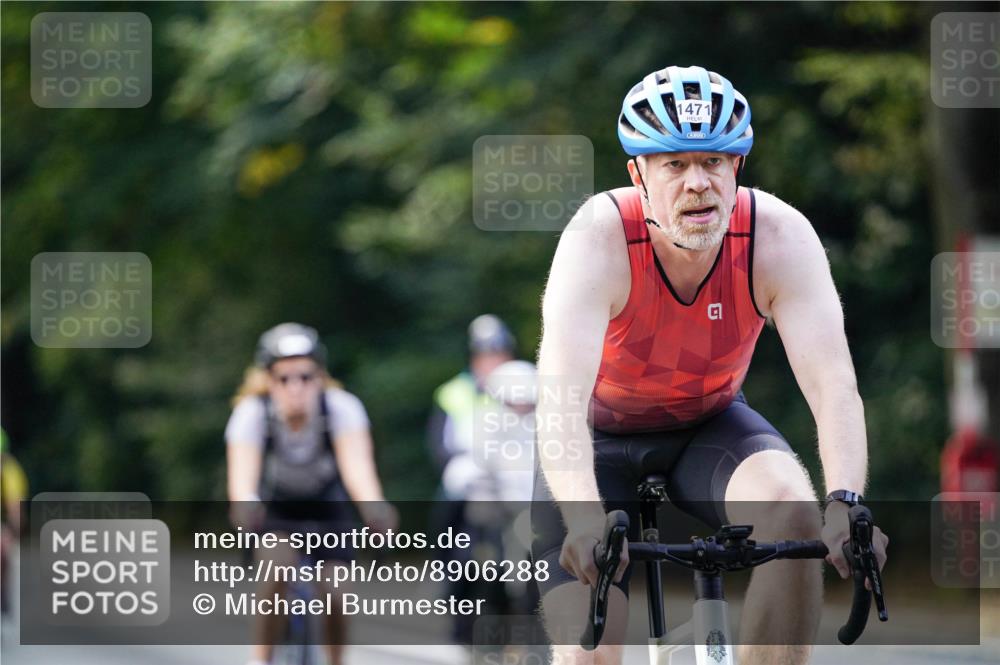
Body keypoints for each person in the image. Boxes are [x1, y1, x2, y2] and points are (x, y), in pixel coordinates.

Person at [533, 65, 889, 665]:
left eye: (713, 162)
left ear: (737, 167)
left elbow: (833, 386)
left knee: (793, 511)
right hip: (594, 441)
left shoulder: (778, 236)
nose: (697, 183)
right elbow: (560, 401)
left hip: (708, 425)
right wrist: (584, 519)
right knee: (591, 650)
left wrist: (845, 503)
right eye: (674, 164)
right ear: (638, 175)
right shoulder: (598, 238)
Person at [226, 323, 397, 665]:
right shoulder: (252, 413)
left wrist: (375, 509)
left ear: (320, 377)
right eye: (284, 378)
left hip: (327, 509)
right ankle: (261, 659)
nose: (296, 387)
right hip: (278, 510)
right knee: (275, 571)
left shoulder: (341, 408)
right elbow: (242, 477)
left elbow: (358, 469)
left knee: (336, 593)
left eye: (306, 377)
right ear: (268, 380)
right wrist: (245, 508)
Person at [1, 428, 28, 619]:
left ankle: (4, 595)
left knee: (4, 549)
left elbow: (15, 510)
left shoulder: (10, 472)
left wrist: (13, 536)